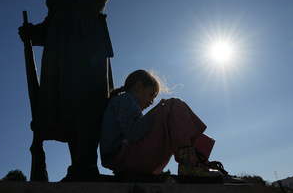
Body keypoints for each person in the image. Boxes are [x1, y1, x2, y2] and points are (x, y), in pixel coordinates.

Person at [19, 0, 114, 182]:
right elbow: (53, 18)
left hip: (84, 36)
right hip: (59, 46)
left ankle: (86, 165)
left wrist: (84, 9)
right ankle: (79, 166)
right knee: (66, 107)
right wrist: (34, 32)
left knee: (87, 101)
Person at [100, 69, 243, 183]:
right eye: (151, 95)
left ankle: (201, 165)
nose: (151, 102)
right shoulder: (127, 98)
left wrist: (154, 114)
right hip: (127, 160)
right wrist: (156, 111)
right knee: (173, 105)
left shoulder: (124, 101)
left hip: (130, 161)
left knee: (178, 125)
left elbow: (133, 131)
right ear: (138, 86)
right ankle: (191, 165)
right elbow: (133, 133)